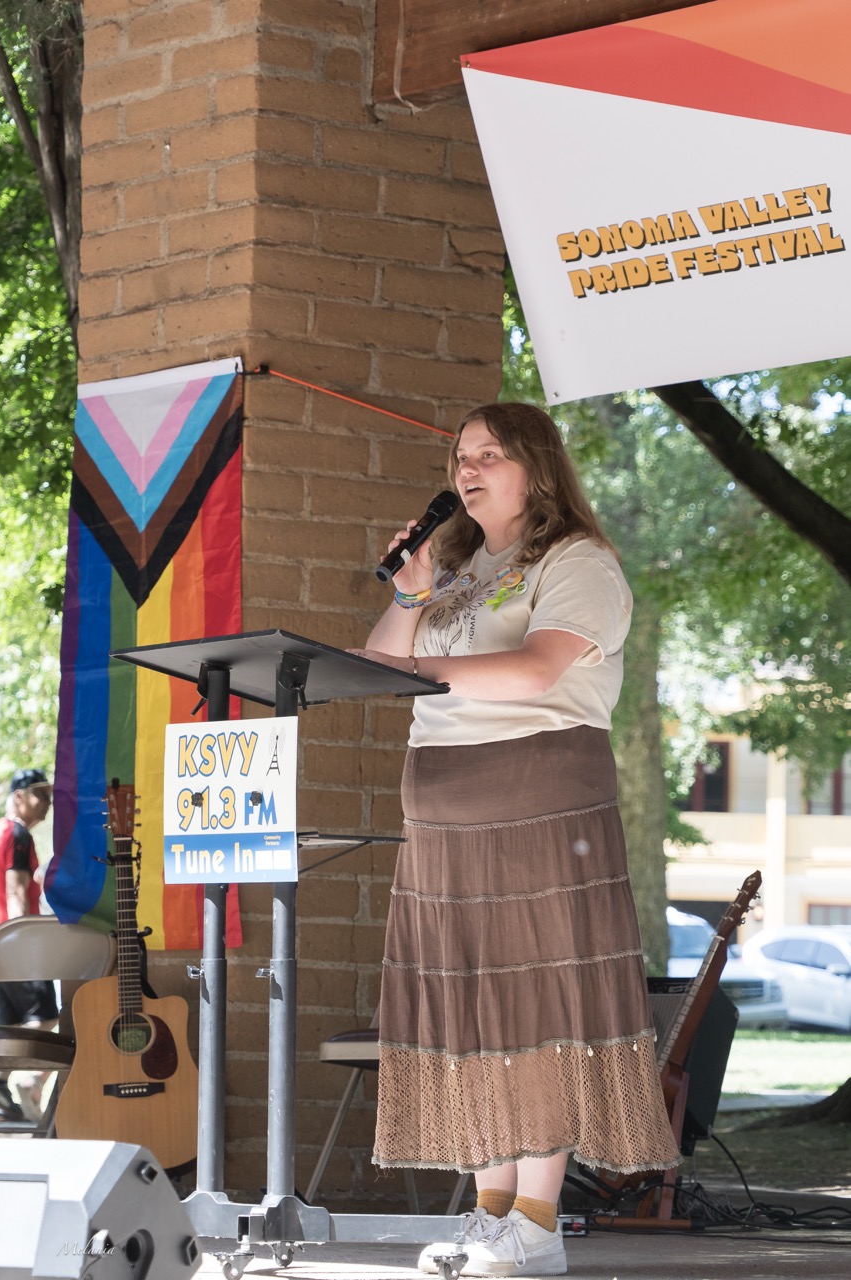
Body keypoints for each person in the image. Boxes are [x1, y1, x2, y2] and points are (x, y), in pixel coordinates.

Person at [349, 403, 680, 1278]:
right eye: (460, 456)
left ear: (536, 466)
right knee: (469, 1009)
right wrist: (409, 595)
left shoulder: (578, 561)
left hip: (537, 797)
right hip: (441, 812)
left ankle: (536, 1223)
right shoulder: (457, 569)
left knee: (535, 1007)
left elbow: (536, 670)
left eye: (489, 454)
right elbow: (379, 667)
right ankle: (490, 1213)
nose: (467, 469)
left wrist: (419, 668)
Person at [0, 767, 58, 1123]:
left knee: (8, 1023)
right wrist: (22, 944)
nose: (48, 801)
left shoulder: (0, 831)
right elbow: (16, 892)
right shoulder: (17, 834)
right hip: (12, 941)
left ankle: (1, 1087)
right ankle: (31, 1080)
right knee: (47, 1015)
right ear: (18, 797)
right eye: (41, 794)